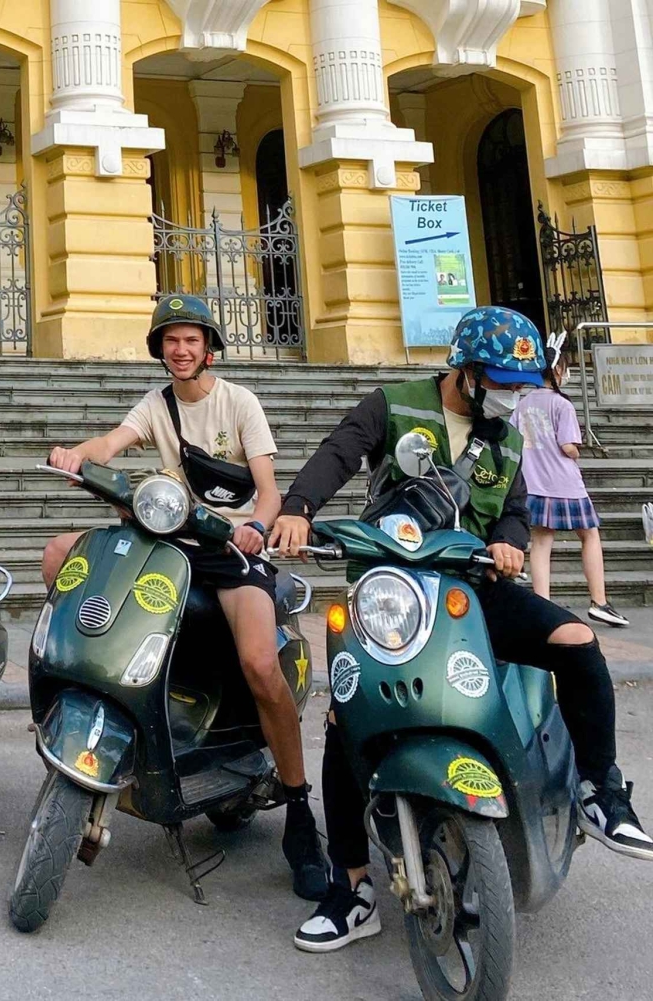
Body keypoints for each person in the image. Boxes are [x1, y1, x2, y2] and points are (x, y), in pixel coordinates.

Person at [270, 305, 652, 954]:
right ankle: (352, 888)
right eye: (502, 381)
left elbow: (515, 510)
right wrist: (298, 510)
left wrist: (508, 542)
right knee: (344, 720)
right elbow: (338, 453)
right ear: (466, 371)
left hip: (475, 591)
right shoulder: (392, 404)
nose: (512, 395)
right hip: (391, 595)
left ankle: (600, 790)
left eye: (521, 385)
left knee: (579, 643)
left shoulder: (506, 438)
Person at [41, 294, 329, 901]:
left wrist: (257, 527)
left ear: (208, 348)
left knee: (259, 662)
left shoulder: (239, 403)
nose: (180, 349)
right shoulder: (156, 404)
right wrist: (75, 455)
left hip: (232, 550)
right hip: (170, 542)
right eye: (170, 340)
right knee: (61, 555)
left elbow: (269, 490)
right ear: (159, 349)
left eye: (191, 340)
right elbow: (111, 443)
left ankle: (300, 811)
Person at [513, 333, 628, 627]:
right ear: (558, 370)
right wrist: (578, 449)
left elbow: (514, 440)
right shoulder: (562, 405)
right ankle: (599, 601)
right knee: (589, 534)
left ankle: (542, 605)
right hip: (565, 483)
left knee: (541, 541)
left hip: (534, 483)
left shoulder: (523, 403)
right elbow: (568, 447)